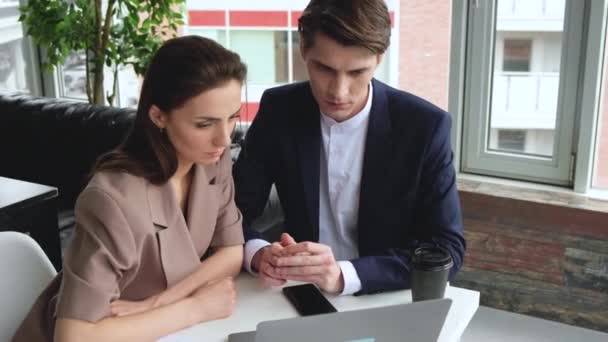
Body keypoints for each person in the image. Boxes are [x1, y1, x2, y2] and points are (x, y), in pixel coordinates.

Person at [13, 35, 246, 341]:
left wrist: (160, 301)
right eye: (205, 124)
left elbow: (231, 252)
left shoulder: (213, 161)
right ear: (158, 116)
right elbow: (73, 335)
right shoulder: (112, 200)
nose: (224, 139)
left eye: (232, 118)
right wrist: (195, 308)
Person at [233, 0, 466, 296]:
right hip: (299, 292)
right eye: (324, 69)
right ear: (304, 48)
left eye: (357, 72)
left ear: (379, 58)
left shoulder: (425, 126)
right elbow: (231, 212)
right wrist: (258, 253)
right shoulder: (279, 108)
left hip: (386, 294)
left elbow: (446, 250)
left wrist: (343, 275)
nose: (338, 92)